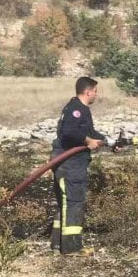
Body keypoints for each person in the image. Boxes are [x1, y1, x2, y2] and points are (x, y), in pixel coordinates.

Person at [50, 76, 107, 256]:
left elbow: (88, 133)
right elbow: (69, 132)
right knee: (74, 202)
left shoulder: (80, 108)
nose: (96, 95)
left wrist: (109, 142)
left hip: (70, 163)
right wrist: (88, 140)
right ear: (88, 91)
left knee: (65, 203)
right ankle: (72, 247)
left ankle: (58, 245)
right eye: (95, 91)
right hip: (70, 164)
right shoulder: (76, 109)